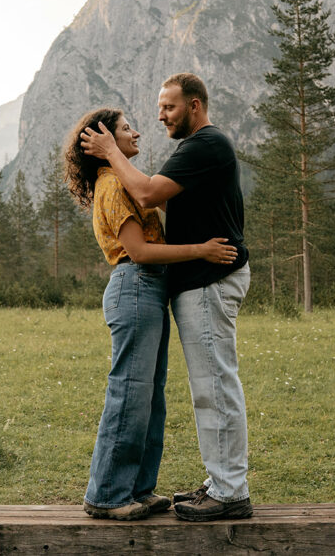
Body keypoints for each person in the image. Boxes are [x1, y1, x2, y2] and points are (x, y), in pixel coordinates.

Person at [80, 72, 252, 522]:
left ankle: (229, 490)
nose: (157, 118)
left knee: (207, 387)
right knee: (150, 390)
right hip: (165, 282)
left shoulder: (205, 145)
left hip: (205, 280)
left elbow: (148, 191)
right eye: (156, 110)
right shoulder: (176, 157)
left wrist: (112, 151)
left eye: (169, 108)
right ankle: (209, 485)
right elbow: (137, 236)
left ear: (195, 105)